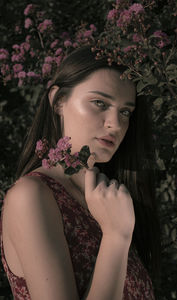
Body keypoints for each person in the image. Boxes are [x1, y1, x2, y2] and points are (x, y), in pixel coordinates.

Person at [0, 45, 161, 300]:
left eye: (125, 111)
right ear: (58, 101)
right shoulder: (31, 196)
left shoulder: (107, 201)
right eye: (99, 102)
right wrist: (116, 236)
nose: (115, 124)